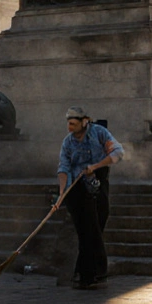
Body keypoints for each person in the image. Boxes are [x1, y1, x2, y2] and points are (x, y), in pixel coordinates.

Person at [57, 106, 124, 289]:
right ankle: (88, 275)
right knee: (86, 231)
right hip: (76, 189)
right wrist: (62, 192)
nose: (70, 127)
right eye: (68, 123)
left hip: (98, 184)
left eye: (73, 123)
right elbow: (63, 167)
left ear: (84, 122)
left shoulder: (100, 133)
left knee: (95, 228)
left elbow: (118, 153)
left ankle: (87, 274)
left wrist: (95, 166)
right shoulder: (68, 142)